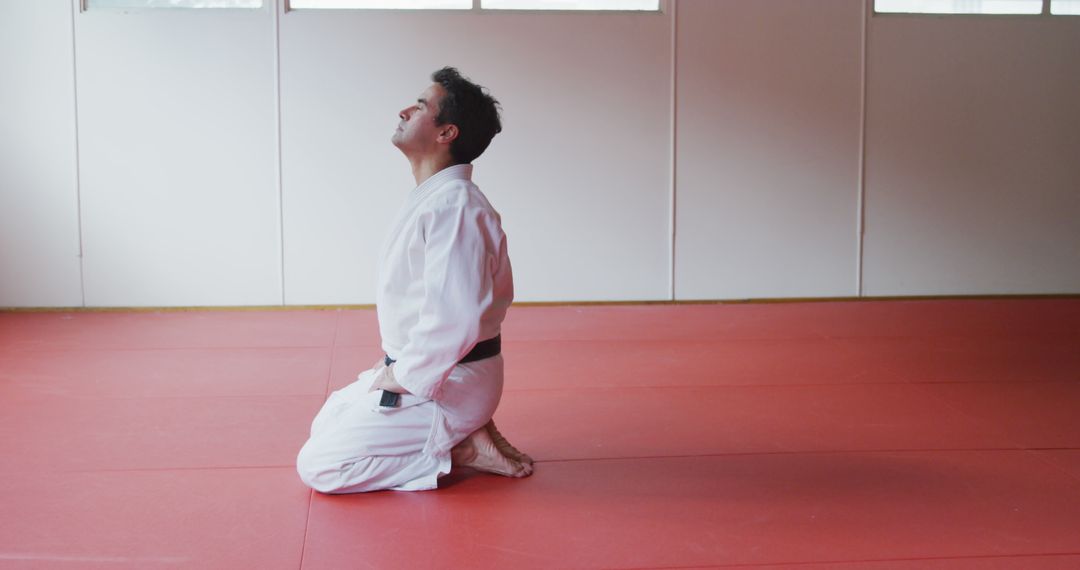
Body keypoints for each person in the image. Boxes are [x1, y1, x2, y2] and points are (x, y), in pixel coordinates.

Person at [296, 67, 533, 493]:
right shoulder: (438, 199)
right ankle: (459, 432)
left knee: (320, 466)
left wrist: (404, 375)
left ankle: (457, 448)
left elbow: (455, 319)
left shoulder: (456, 208)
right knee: (326, 421)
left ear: (447, 133)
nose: (405, 110)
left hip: (451, 380)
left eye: (421, 106)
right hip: (435, 370)